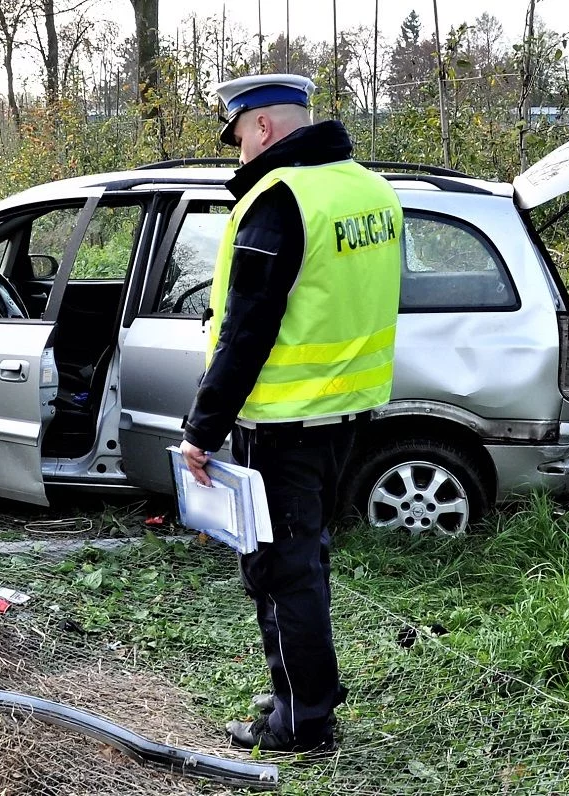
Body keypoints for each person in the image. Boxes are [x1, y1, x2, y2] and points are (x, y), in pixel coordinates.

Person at [178, 73, 403, 753]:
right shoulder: (369, 189)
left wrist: (201, 430)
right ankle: (301, 690)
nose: (239, 152)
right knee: (304, 560)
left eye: (240, 135)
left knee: (282, 570)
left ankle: (301, 722)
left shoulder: (279, 202)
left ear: (266, 129)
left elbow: (247, 331)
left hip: (282, 422)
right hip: (348, 413)